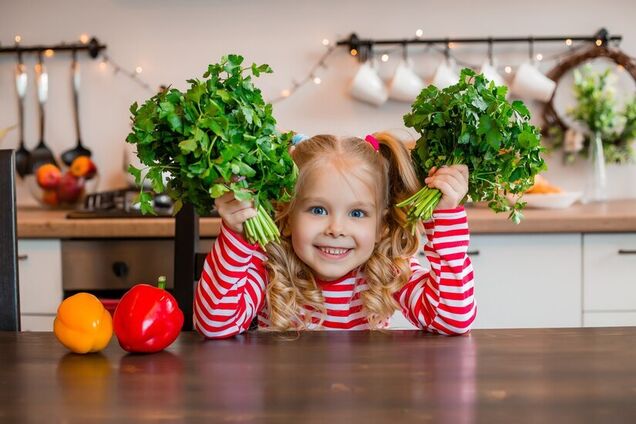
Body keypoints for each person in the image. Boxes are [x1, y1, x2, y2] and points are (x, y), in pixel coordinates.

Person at [194, 132, 475, 338]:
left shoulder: (388, 272)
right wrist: (236, 234)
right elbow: (214, 325)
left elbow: (453, 320)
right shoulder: (270, 268)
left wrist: (446, 218)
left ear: (381, 227)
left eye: (357, 214)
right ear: (287, 216)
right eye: (317, 209)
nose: (336, 229)